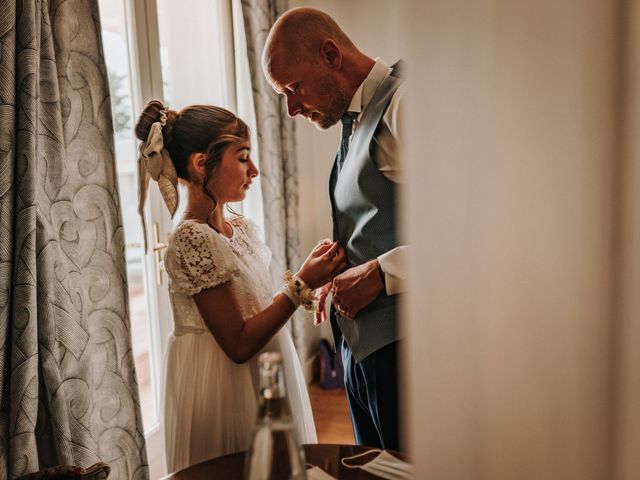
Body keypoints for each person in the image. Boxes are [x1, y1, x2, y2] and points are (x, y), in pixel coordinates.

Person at [134, 100, 346, 472]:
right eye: (243, 157)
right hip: (223, 389)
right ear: (202, 164)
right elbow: (238, 343)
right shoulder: (192, 239)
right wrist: (300, 285)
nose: (255, 170)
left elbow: (259, 303)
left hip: (263, 374)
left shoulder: (240, 228)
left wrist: (313, 283)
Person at [263, 8, 407, 450]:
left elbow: (469, 219)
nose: (289, 109)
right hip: (362, 351)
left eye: (293, 88)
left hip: (407, 350)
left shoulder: (405, 102)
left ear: (330, 54)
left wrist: (382, 273)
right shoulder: (353, 119)